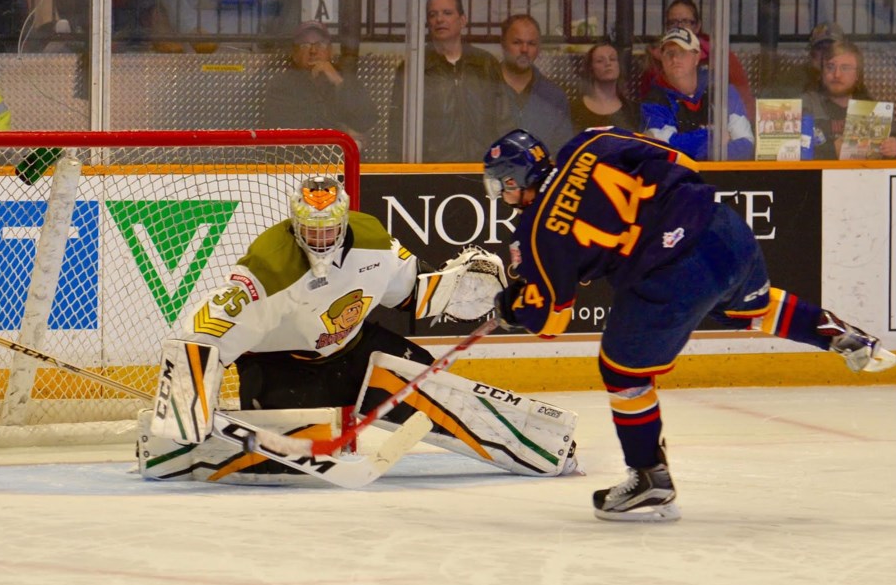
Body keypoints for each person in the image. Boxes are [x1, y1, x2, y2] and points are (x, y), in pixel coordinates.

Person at [482, 127, 896, 522]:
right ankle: (840, 336)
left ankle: (649, 476)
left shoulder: (536, 231)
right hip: (722, 228)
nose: (502, 193)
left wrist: (515, 306)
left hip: (671, 273)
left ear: (517, 180)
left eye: (501, 184)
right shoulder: (593, 141)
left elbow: (551, 319)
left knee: (620, 369)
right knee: (747, 306)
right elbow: (679, 159)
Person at [141, 175, 581, 482]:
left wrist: (471, 289)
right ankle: (181, 453)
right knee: (291, 459)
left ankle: (541, 446)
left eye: (328, 229)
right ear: (295, 225)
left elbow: (413, 295)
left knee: (436, 390)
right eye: (310, 232)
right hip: (282, 369)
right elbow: (201, 336)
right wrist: (186, 406)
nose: (319, 240)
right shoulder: (267, 268)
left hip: (356, 351)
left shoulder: (373, 240)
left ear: (345, 219)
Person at [387, 0, 501, 162]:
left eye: (447, 13)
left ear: (463, 20)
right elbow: (398, 129)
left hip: (483, 170)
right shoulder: (415, 68)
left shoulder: (485, 64)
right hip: (432, 173)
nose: (439, 19)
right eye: (433, 15)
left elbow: (504, 121)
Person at [263, 20, 377, 153]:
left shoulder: (346, 82)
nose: (313, 50)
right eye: (305, 45)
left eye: (320, 44)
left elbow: (366, 120)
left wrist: (337, 81)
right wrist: (344, 133)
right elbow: (291, 130)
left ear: (330, 51)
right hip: (297, 167)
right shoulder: (281, 85)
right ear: (294, 54)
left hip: (343, 165)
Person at [642, 28, 755, 160]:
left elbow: (746, 145)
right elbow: (664, 150)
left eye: (682, 52)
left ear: (697, 57)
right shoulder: (653, 100)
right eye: (669, 53)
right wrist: (716, 138)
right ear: (662, 59)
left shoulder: (723, 91)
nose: (675, 59)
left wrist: (693, 150)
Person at [640, 0, 756, 122]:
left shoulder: (720, 57)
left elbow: (744, 99)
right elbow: (647, 104)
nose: (680, 27)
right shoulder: (655, 61)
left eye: (685, 21)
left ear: (697, 26)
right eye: (673, 22)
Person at [801, 41, 896, 160]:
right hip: (815, 178)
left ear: (857, 75)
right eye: (830, 67)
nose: (837, 74)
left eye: (845, 68)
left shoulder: (871, 109)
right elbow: (785, 149)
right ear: (822, 72)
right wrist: (831, 151)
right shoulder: (805, 105)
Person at [494, 13, 572, 155]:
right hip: (491, 175)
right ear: (503, 43)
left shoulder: (554, 96)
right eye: (517, 42)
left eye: (531, 43)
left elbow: (563, 149)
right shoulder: (484, 89)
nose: (524, 49)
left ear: (539, 47)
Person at [570, 41, 641, 133]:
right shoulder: (574, 110)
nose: (608, 64)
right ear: (591, 68)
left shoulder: (634, 111)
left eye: (612, 59)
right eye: (600, 61)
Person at [760, 22, 845, 99]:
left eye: (832, 49)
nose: (826, 54)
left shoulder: (853, 77)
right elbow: (767, 103)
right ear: (812, 53)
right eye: (820, 48)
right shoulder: (793, 77)